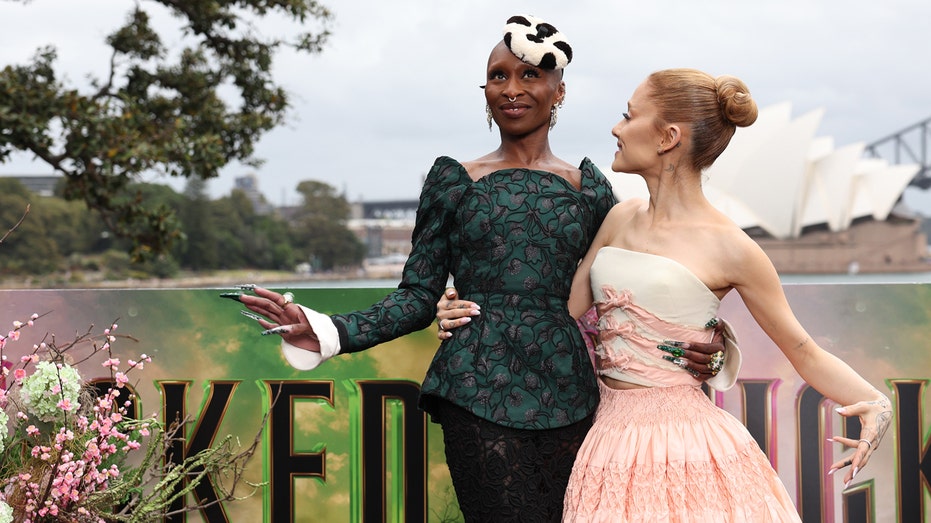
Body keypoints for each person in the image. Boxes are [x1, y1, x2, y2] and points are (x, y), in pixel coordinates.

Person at [225, 18, 727, 522]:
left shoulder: (591, 189)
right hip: (476, 385)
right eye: (497, 76)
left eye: (529, 75)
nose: (510, 89)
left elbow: (638, 282)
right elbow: (418, 295)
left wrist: (711, 339)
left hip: (573, 393)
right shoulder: (454, 181)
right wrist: (331, 330)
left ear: (560, 90)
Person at [547, 69, 891, 521]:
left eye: (628, 116)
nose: (616, 128)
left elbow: (801, 348)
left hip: (690, 448)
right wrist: (454, 300)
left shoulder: (733, 247)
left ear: (668, 136)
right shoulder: (620, 218)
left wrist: (878, 404)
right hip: (607, 442)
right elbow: (559, 311)